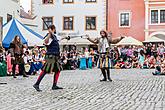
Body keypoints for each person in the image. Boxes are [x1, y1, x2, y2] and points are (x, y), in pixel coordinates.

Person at [33, 25, 69, 91]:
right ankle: (36, 84)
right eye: (54, 29)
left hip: (55, 57)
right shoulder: (48, 36)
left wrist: (66, 37)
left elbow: (60, 38)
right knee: (45, 70)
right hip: (50, 57)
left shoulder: (55, 36)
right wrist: (49, 34)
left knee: (58, 70)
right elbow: (45, 42)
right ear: (53, 29)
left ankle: (54, 85)